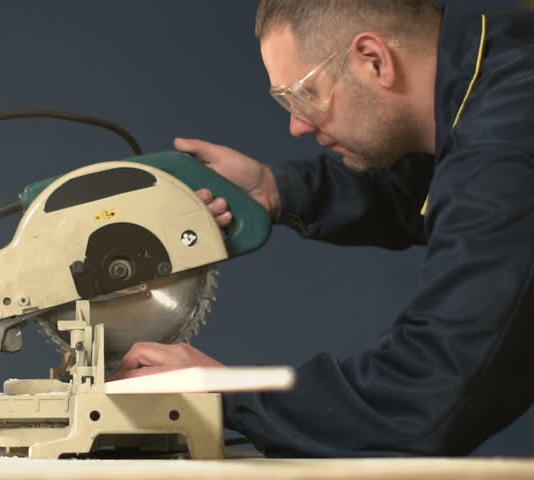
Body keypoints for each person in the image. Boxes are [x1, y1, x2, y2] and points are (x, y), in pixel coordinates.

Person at [109, 0, 534, 457]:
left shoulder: (507, 146)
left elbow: (428, 394)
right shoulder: (499, 59)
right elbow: (439, 191)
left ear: (374, 59)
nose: (296, 125)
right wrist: (278, 189)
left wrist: (223, 391)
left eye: (304, 95)